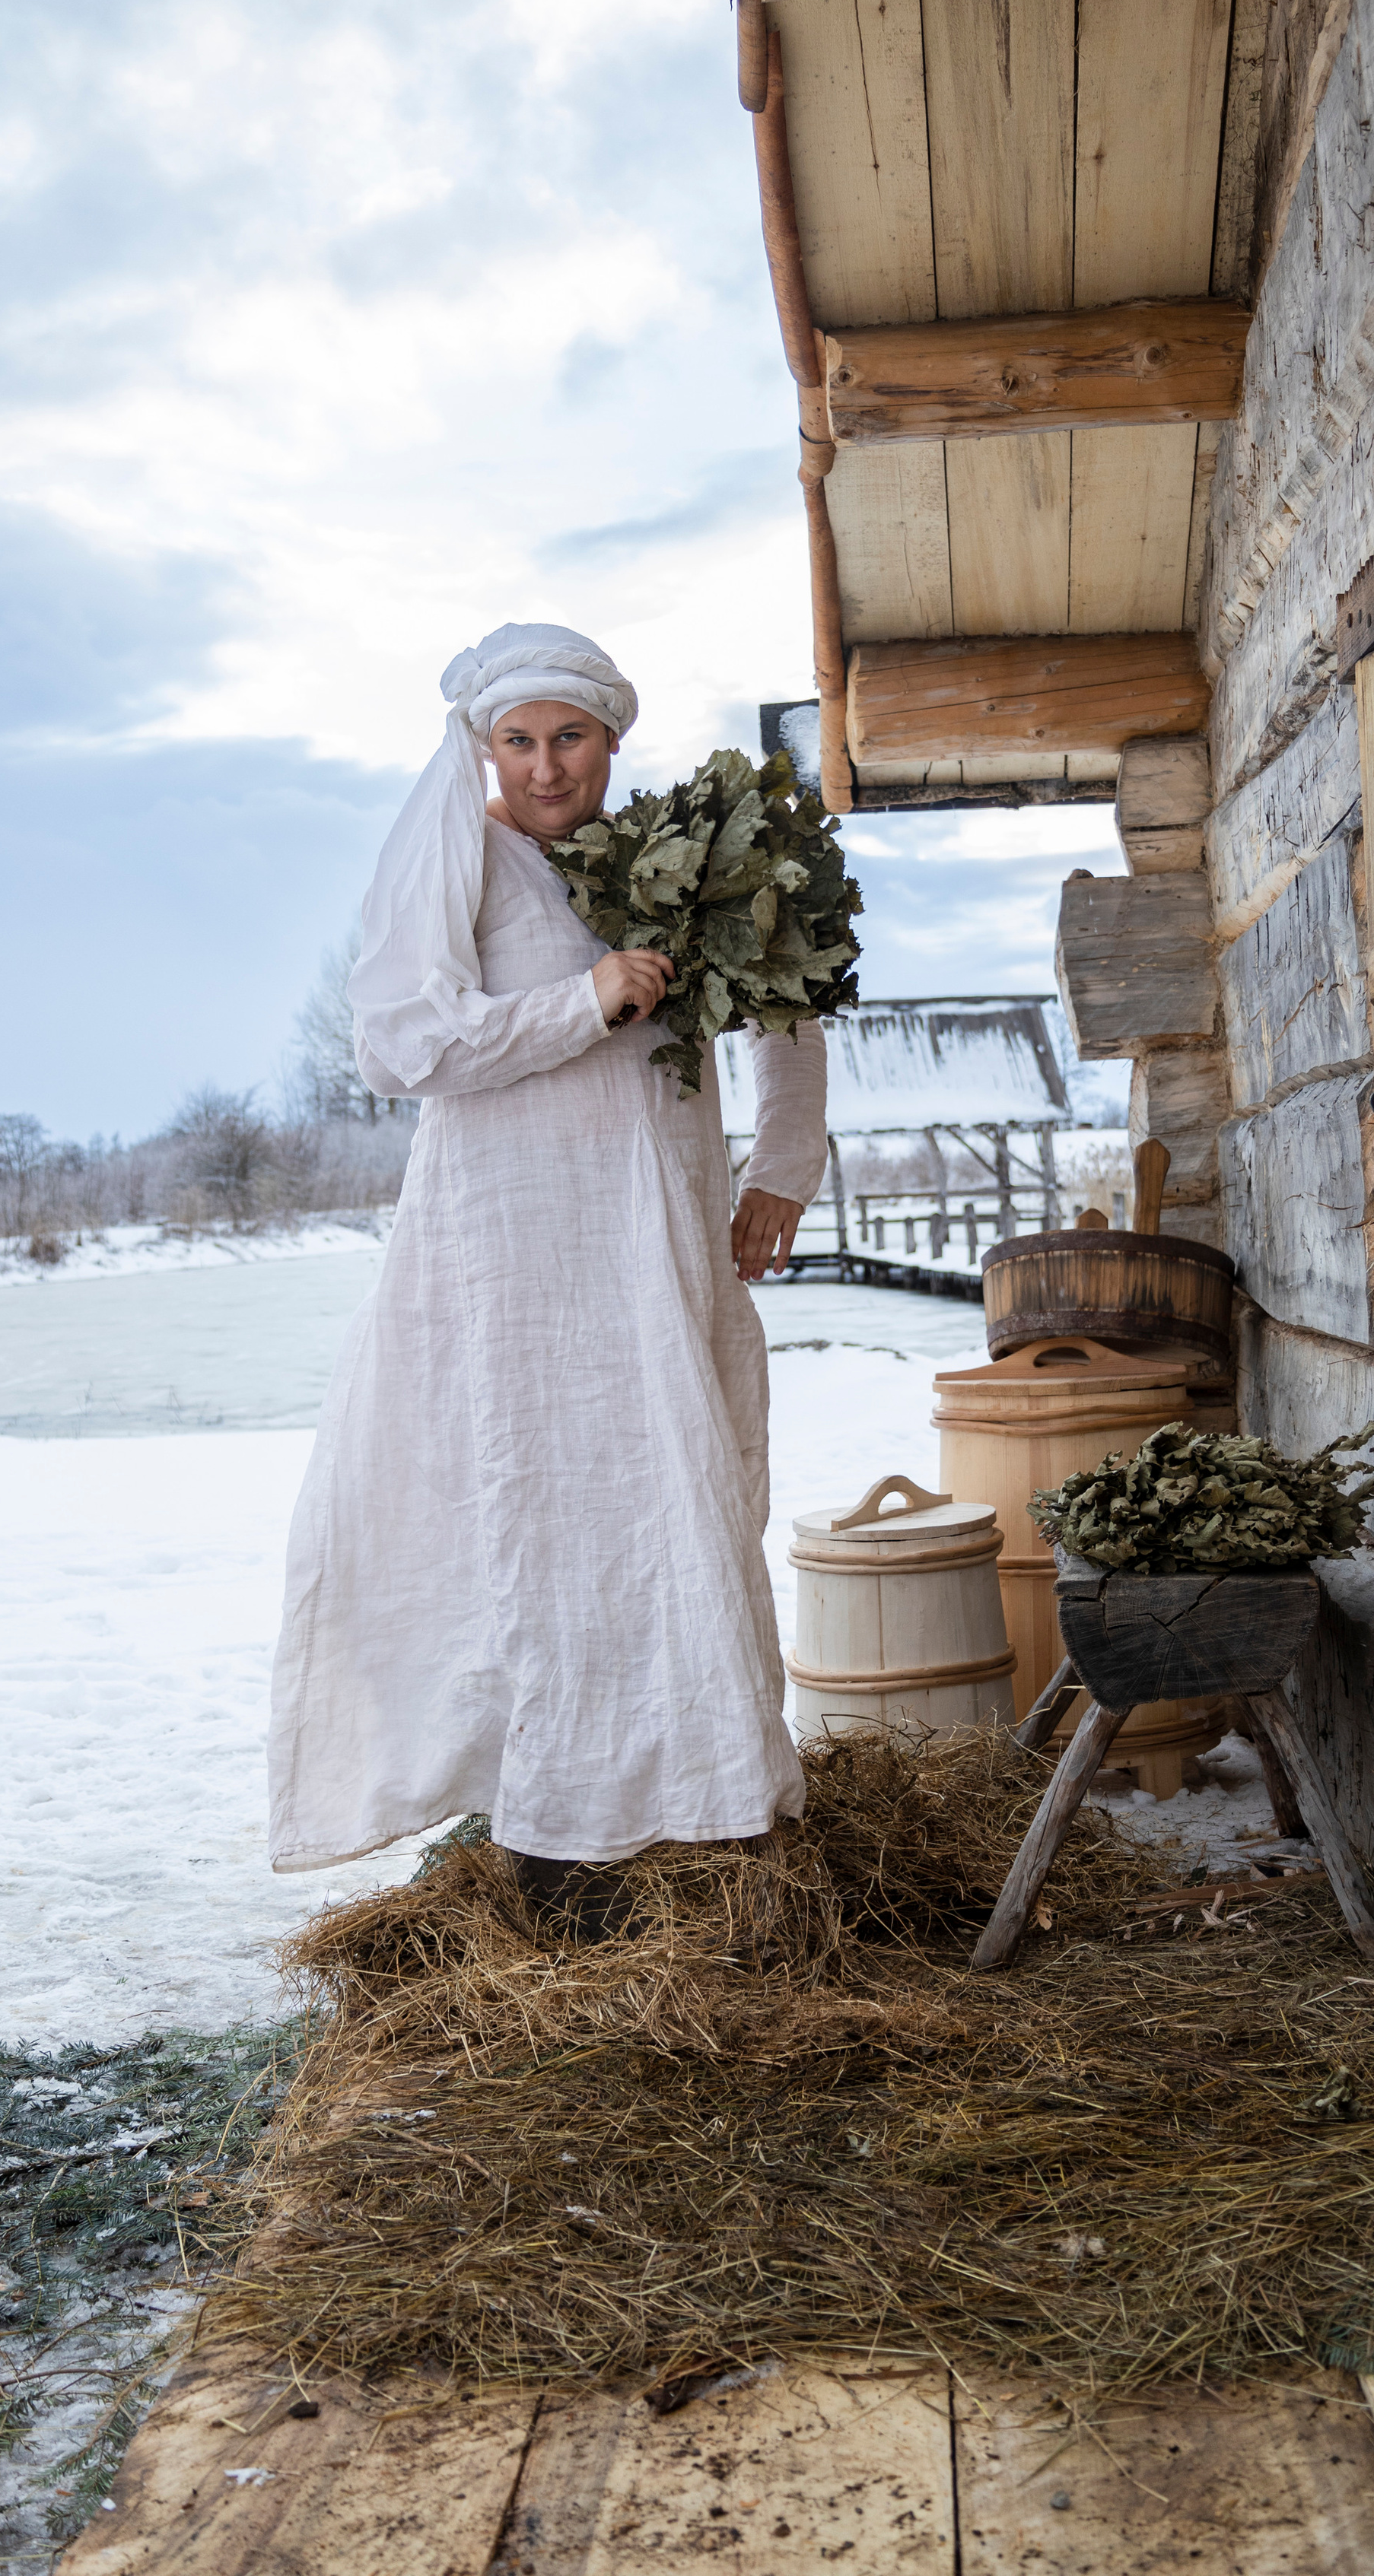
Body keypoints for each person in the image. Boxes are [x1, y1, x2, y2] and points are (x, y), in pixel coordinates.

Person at [267, 624, 826, 1884]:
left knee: (675, 1489)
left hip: (659, 1224)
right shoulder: (462, 863)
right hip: (515, 1251)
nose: (544, 765)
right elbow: (401, 1048)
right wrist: (585, 1001)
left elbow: (785, 996)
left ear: (611, 739)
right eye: (516, 741)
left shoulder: (670, 863)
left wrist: (781, 1166)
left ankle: (707, 1795)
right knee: (548, 1501)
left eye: (568, 736)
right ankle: (561, 1827)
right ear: (481, 749)